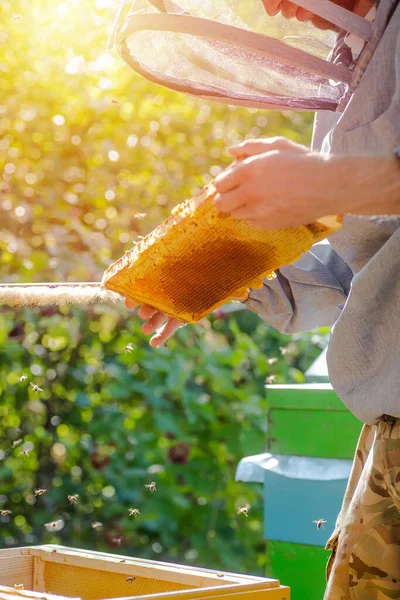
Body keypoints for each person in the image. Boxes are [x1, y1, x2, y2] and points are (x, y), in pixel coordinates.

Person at [125, 1, 400, 598]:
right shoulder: (352, 61)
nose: (272, 4)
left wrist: (333, 181)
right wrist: (208, 273)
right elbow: (355, 272)